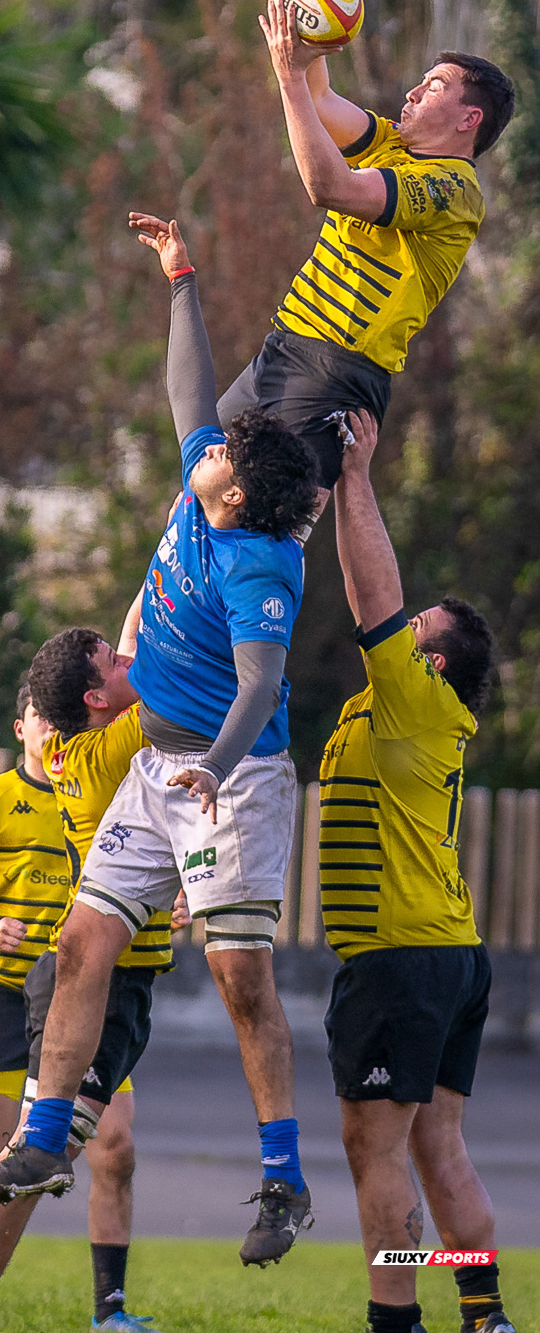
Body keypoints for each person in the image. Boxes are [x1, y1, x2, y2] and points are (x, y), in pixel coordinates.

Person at [0, 214, 321, 1269]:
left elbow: (259, 684)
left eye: (216, 461)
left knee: (237, 976)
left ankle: (281, 1179)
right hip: (162, 772)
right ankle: (40, 1141)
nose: (202, 449)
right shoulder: (209, 478)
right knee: (82, 941)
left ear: (242, 500)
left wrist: (211, 767)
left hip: (234, 776)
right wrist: (180, 278)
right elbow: (186, 390)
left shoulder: (258, 563)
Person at [0, 631, 176, 1333]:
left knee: (73, 1149)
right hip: (60, 986)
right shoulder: (102, 753)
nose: (128, 662)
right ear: (93, 701)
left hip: (107, 979)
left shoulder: (103, 750)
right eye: (114, 662)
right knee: (16, 1153)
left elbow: (141, 642)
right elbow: (180, 672)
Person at [323, 412, 514, 1333]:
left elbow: (373, 592)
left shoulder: (415, 698)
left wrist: (355, 478)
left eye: (415, 631)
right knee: (440, 1148)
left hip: (401, 958)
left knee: (377, 1149)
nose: (400, 634)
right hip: (446, 953)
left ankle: (394, 1320)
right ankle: (485, 1313)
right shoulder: (396, 710)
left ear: (432, 661)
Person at [217, 0, 515, 491]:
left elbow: (329, 187)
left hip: (337, 372)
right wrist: (317, 25)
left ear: (469, 120)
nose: (415, 91)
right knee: (196, 489)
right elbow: (320, 100)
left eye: (435, 85)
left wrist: (290, 78)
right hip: (284, 343)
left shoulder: (452, 189)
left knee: (258, 517)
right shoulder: (391, 142)